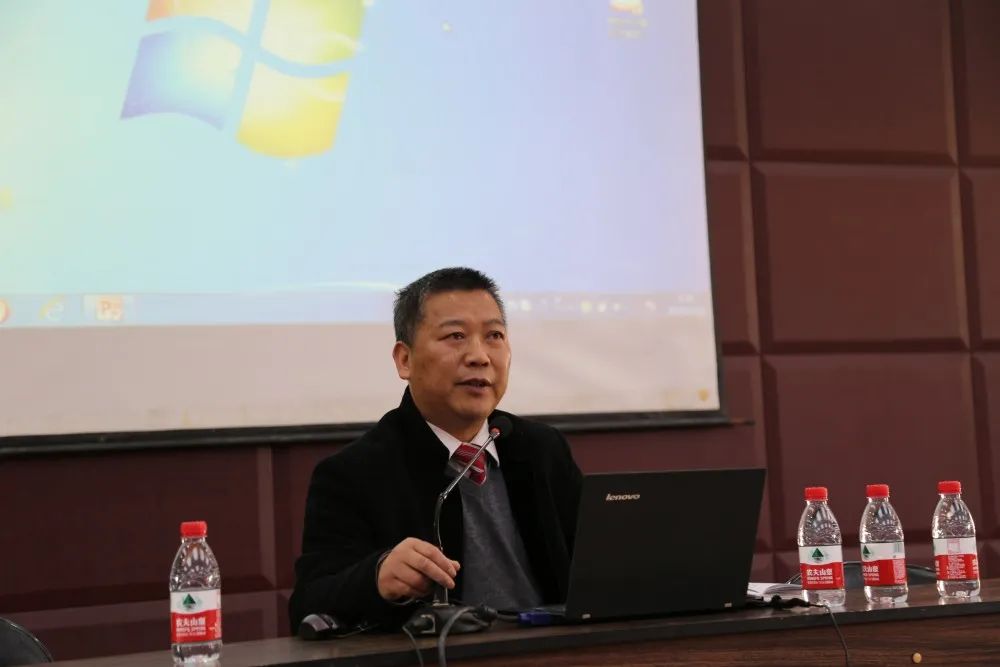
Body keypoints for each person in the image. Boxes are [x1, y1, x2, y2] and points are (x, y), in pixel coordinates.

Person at [289, 267, 582, 631]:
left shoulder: (541, 449)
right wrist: (376, 577)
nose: (479, 356)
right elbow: (308, 604)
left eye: (494, 336)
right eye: (456, 336)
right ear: (405, 360)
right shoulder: (355, 472)